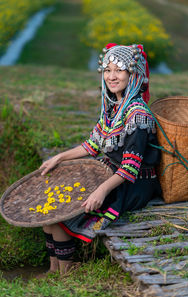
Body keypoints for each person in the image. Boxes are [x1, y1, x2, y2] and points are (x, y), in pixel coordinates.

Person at [39, 43, 162, 275]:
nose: (111, 76)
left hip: (133, 183)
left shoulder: (139, 115)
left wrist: (101, 190)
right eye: (107, 70)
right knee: (51, 209)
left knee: (65, 213)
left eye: (119, 70)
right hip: (109, 172)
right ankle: (54, 269)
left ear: (133, 74)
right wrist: (59, 157)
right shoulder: (112, 108)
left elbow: (130, 168)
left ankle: (66, 271)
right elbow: (93, 144)